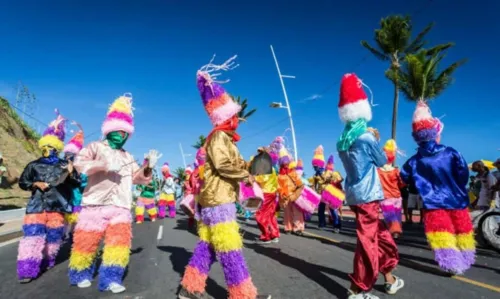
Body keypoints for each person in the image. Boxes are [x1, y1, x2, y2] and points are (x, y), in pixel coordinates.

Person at [178, 56, 270, 299]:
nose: (237, 120)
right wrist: (245, 175)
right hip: (218, 200)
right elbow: (222, 164)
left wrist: (253, 163)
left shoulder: (224, 139)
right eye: (234, 116)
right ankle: (243, 295)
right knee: (230, 248)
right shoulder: (219, 137)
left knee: (207, 246)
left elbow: (235, 162)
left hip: (215, 198)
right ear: (226, 118)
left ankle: (189, 289)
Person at [68, 93, 158, 293]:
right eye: (117, 130)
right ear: (109, 130)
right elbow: (79, 164)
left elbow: (139, 178)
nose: (121, 135)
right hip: (94, 205)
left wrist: (148, 167)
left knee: (118, 246)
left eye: (124, 132)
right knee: (86, 243)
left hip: (121, 207)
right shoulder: (95, 147)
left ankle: (111, 279)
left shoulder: (128, 155)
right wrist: (104, 164)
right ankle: (80, 274)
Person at [336, 73, 403, 299]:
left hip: (355, 195)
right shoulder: (365, 137)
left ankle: (390, 278)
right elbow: (383, 161)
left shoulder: (343, 141)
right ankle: (358, 289)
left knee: (382, 237)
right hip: (368, 197)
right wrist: (375, 137)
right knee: (368, 242)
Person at [401, 100, 475, 275]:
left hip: (433, 203)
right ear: (434, 133)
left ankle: (452, 266)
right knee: (462, 230)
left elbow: (404, 178)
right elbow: (463, 174)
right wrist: (457, 186)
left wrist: (419, 184)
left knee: (441, 234)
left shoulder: (414, 160)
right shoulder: (451, 152)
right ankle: (466, 259)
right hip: (456, 199)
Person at [17, 111, 78, 283]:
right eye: (45, 147)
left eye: (51, 147)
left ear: (57, 148)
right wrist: (35, 184)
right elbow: (23, 182)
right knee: (32, 237)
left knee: (53, 238)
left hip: (57, 208)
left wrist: (72, 173)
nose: (47, 150)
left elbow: (76, 184)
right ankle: (27, 269)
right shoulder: (33, 165)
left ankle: (47, 260)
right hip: (36, 207)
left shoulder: (65, 165)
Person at [62, 122, 88, 241]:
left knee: (74, 220)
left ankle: (72, 236)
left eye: (71, 155)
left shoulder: (82, 169)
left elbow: (84, 183)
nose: (68, 157)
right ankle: (65, 235)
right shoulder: (61, 166)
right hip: (63, 200)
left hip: (76, 200)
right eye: (67, 155)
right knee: (63, 221)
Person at [277, 140, 305, 236]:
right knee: (287, 213)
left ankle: (298, 228)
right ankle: (288, 227)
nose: (285, 165)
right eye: (283, 163)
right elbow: (279, 187)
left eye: (286, 163)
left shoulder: (293, 173)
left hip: (295, 196)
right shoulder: (279, 176)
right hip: (286, 197)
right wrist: (282, 195)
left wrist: (295, 195)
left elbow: (300, 184)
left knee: (297, 212)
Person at [377, 139, 405, 239]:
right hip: (397, 196)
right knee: (397, 215)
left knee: (389, 216)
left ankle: (393, 231)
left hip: (385, 197)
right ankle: (396, 231)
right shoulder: (396, 171)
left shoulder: (378, 171)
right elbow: (402, 184)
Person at [254, 147, 279, 244]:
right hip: (271, 193)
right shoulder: (271, 167)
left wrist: (253, 178)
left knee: (260, 214)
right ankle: (274, 234)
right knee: (270, 214)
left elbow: (262, 179)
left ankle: (267, 235)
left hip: (266, 193)